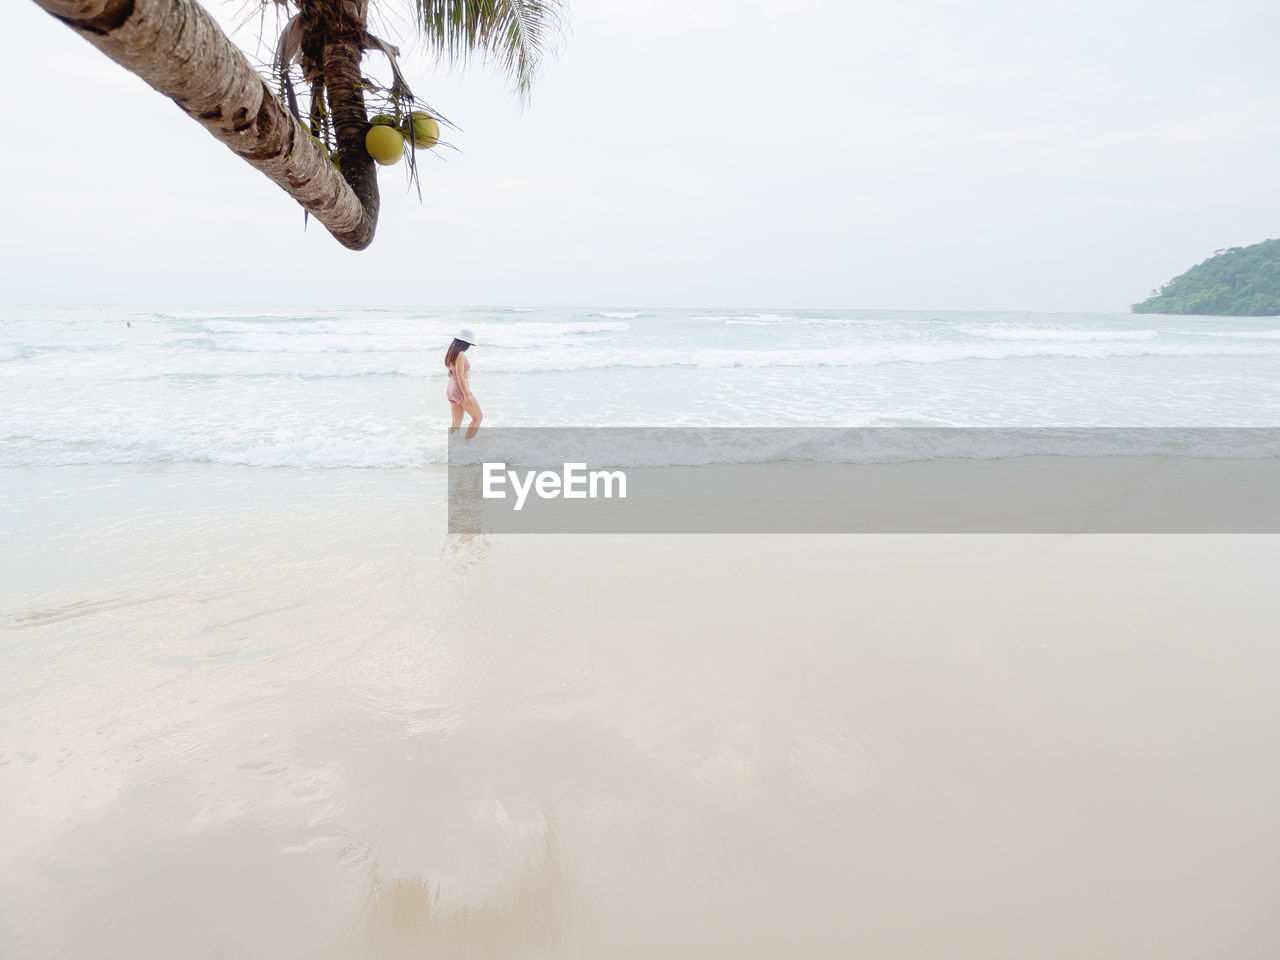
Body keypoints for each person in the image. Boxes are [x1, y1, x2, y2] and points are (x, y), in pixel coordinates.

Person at [445, 328, 482, 439]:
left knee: (456, 424)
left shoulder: (451, 351)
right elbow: (460, 376)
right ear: (465, 343)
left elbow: (451, 370)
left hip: (451, 387)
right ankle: (467, 445)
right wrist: (466, 395)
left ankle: (453, 446)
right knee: (478, 418)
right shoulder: (460, 354)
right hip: (460, 389)